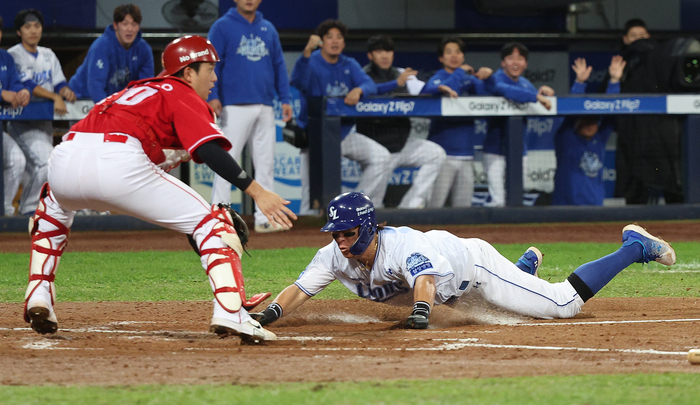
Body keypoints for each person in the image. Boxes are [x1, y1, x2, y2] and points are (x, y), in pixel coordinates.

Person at [21, 35, 296, 344]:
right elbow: (209, 150)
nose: (215, 78)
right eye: (209, 69)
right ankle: (231, 311)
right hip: (118, 161)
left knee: (52, 208)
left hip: (65, 158)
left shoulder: (135, 90)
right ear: (188, 72)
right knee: (215, 224)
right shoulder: (181, 92)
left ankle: (38, 294)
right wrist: (258, 192)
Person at [251, 192, 675, 330]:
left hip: (473, 266)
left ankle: (634, 246)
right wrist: (267, 316)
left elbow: (423, 282)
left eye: (347, 233)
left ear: (366, 227)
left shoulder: (400, 245)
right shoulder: (333, 256)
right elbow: (299, 290)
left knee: (563, 305)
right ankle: (522, 271)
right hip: (453, 284)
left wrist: (420, 311)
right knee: (494, 309)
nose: (341, 242)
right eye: (336, 234)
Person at [207, 0, 293, 233]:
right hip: (233, 105)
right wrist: (213, 95)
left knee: (265, 164)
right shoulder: (222, 26)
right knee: (227, 160)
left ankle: (265, 218)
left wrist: (285, 98)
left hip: (265, 104)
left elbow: (278, 65)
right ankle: (221, 217)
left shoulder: (268, 28)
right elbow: (211, 64)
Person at [291, 19, 389, 213]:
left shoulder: (349, 64)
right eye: (330, 37)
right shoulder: (312, 61)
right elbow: (298, 82)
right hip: (316, 137)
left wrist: (359, 90)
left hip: (343, 134)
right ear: (321, 41)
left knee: (382, 158)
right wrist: (306, 53)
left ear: (344, 43)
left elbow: (369, 84)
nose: (335, 41)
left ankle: (355, 207)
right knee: (311, 196)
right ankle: (309, 226)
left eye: (339, 37)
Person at [355, 34, 446, 209]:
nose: (385, 55)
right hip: (378, 152)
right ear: (370, 55)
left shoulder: (401, 74)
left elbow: (424, 90)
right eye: (379, 51)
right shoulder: (362, 76)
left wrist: (439, 87)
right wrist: (395, 85)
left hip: (402, 146)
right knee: (374, 205)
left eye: (388, 51)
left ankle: (410, 206)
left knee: (436, 154)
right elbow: (369, 92)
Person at [8, 9, 76, 216]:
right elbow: (27, 84)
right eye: (27, 27)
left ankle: (33, 211)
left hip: (44, 122)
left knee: (35, 168)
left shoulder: (48, 54)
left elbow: (59, 82)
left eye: (37, 26)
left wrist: (64, 91)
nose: (33, 31)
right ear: (19, 31)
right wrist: (55, 97)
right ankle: (28, 208)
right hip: (21, 122)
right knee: (45, 162)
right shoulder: (14, 54)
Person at [615, 18, 683, 204]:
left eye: (642, 35)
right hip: (646, 141)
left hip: (658, 140)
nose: (639, 40)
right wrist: (614, 80)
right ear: (625, 39)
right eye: (634, 36)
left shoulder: (664, 61)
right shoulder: (619, 66)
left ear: (649, 36)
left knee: (672, 194)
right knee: (668, 197)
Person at [419, 37, 493, 208]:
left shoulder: (470, 80)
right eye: (449, 52)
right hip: (442, 156)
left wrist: (489, 77)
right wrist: (459, 72)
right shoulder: (439, 77)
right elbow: (426, 91)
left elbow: (488, 94)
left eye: (458, 52)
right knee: (434, 207)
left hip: (466, 155)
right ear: (441, 58)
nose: (454, 56)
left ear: (463, 56)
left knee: (463, 209)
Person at [482, 42, 554, 207]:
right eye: (510, 58)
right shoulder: (495, 78)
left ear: (526, 64)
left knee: (515, 200)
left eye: (520, 58)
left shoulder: (525, 84)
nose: (515, 62)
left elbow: (533, 97)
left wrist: (542, 91)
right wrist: (536, 96)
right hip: (495, 151)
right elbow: (504, 90)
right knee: (499, 202)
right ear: (503, 62)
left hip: (520, 151)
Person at [552, 56, 624, 206]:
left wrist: (614, 81)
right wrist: (579, 83)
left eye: (594, 121)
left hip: (594, 207)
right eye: (586, 121)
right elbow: (571, 110)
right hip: (566, 207)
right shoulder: (566, 138)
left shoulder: (599, 139)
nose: (590, 125)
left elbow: (612, 111)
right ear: (577, 122)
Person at [68, 4, 154, 103]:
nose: (130, 29)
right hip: (82, 98)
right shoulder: (101, 47)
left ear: (138, 27)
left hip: (116, 101)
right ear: (115, 25)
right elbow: (96, 86)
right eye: (125, 24)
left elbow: (146, 86)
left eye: (134, 24)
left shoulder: (144, 49)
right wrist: (108, 108)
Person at [1, 15, 31, 216]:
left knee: (17, 160)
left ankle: (4, 211)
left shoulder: (5, 58)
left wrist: (23, 91)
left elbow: (15, 83)